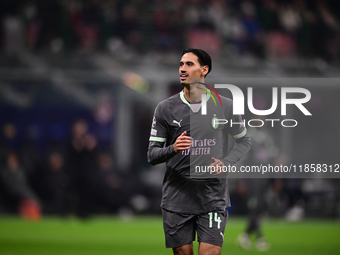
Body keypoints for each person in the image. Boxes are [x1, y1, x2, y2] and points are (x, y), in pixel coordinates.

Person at [147, 48, 252, 255]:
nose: (182, 69)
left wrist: (227, 162)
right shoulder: (165, 108)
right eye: (181, 64)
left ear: (204, 70)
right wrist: (173, 148)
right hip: (177, 197)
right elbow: (152, 155)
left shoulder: (225, 106)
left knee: (209, 253)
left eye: (189, 64)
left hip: (212, 196)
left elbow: (244, 142)